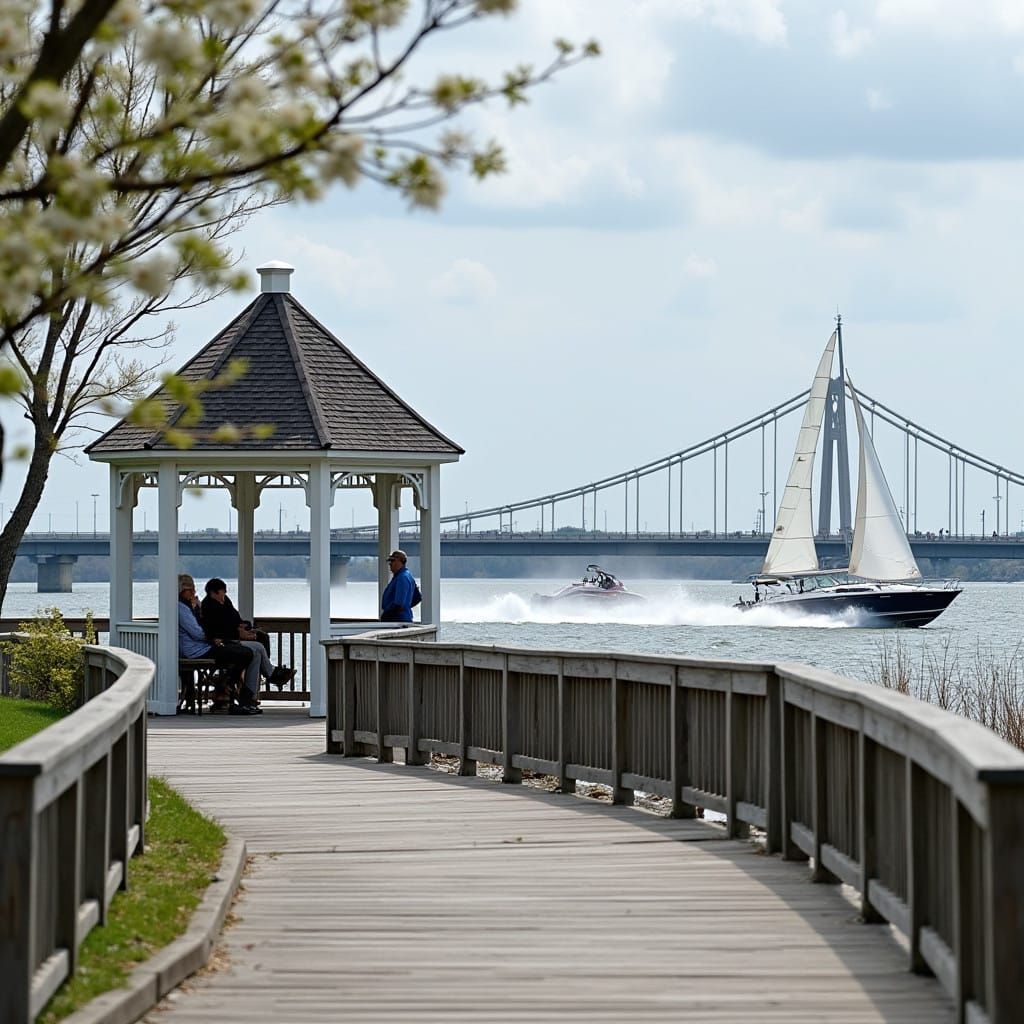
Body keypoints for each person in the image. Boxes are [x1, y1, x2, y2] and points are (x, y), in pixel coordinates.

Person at [200, 578, 296, 702]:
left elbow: (235, 617)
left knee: (262, 637)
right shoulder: (209, 606)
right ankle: (271, 675)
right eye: (223, 591)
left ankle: (263, 676)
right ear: (214, 592)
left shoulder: (225, 601)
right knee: (258, 648)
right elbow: (217, 629)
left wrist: (244, 626)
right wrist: (240, 633)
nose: (225, 594)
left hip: (235, 635)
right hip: (227, 641)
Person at [177, 574, 256, 714]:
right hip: (197, 651)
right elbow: (197, 632)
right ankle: (227, 687)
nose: (194, 593)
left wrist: (197, 609)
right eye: (191, 590)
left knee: (241, 651)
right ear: (182, 590)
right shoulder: (181, 609)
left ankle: (227, 687)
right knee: (245, 653)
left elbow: (203, 624)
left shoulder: (188, 606)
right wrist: (212, 638)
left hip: (203, 646)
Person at [380, 549, 419, 622]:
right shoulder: (406, 575)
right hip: (402, 618)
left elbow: (399, 604)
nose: (390, 564)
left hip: (397, 621)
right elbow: (418, 597)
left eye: (392, 561)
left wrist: (387, 616)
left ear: (400, 561)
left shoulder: (402, 578)